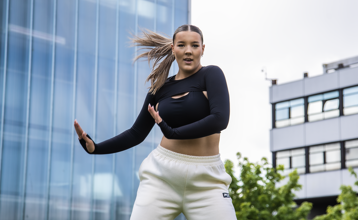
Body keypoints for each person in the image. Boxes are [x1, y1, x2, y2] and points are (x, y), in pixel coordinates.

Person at [74, 24, 237, 220]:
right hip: (162, 176)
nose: (188, 51)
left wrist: (174, 133)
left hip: (207, 180)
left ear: (203, 49)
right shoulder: (159, 88)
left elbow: (220, 119)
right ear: (173, 48)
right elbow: (136, 133)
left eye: (194, 45)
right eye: (182, 45)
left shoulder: (211, 74)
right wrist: (96, 148)